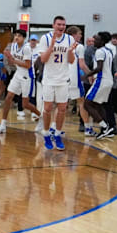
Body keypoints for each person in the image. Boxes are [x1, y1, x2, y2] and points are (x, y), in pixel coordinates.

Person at [38, 16, 76, 150]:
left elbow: (71, 61)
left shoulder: (69, 39)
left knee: (62, 109)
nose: (61, 27)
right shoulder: (45, 38)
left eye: (63, 25)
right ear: (53, 25)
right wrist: (52, 46)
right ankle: (47, 133)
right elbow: (43, 59)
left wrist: (71, 52)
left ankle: (58, 134)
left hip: (63, 79)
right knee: (47, 109)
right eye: (59, 24)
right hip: (49, 79)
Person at [0, 29, 41, 134]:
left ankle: (41, 118)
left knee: (25, 104)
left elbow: (27, 65)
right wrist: (9, 58)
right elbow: (13, 62)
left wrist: (13, 60)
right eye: (15, 35)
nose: (16, 37)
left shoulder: (27, 48)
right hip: (18, 74)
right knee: (8, 98)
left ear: (24, 38)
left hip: (28, 76)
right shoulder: (13, 46)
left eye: (19, 35)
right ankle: (3, 124)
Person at [83, 33, 115, 138]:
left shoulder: (99, 51)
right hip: (108, 80)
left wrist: (86, 75)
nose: (93, 41)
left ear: (101, 41)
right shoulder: (108, 51)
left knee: (87, 104)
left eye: (96, 40)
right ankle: (107, 128)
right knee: (98, 104)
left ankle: (105, 127)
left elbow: (99, 68)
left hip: (102, 80)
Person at [66, 26, 90, 132]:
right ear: (73, 35)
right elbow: (82, 65)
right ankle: (88, 128)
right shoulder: (79, 47)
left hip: (62, 79)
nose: (80, 35)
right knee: (81, 102)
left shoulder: (62, 45)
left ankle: (54, 128)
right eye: (79, 33)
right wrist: (91, 75)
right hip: (74, 79)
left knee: (61, 105)